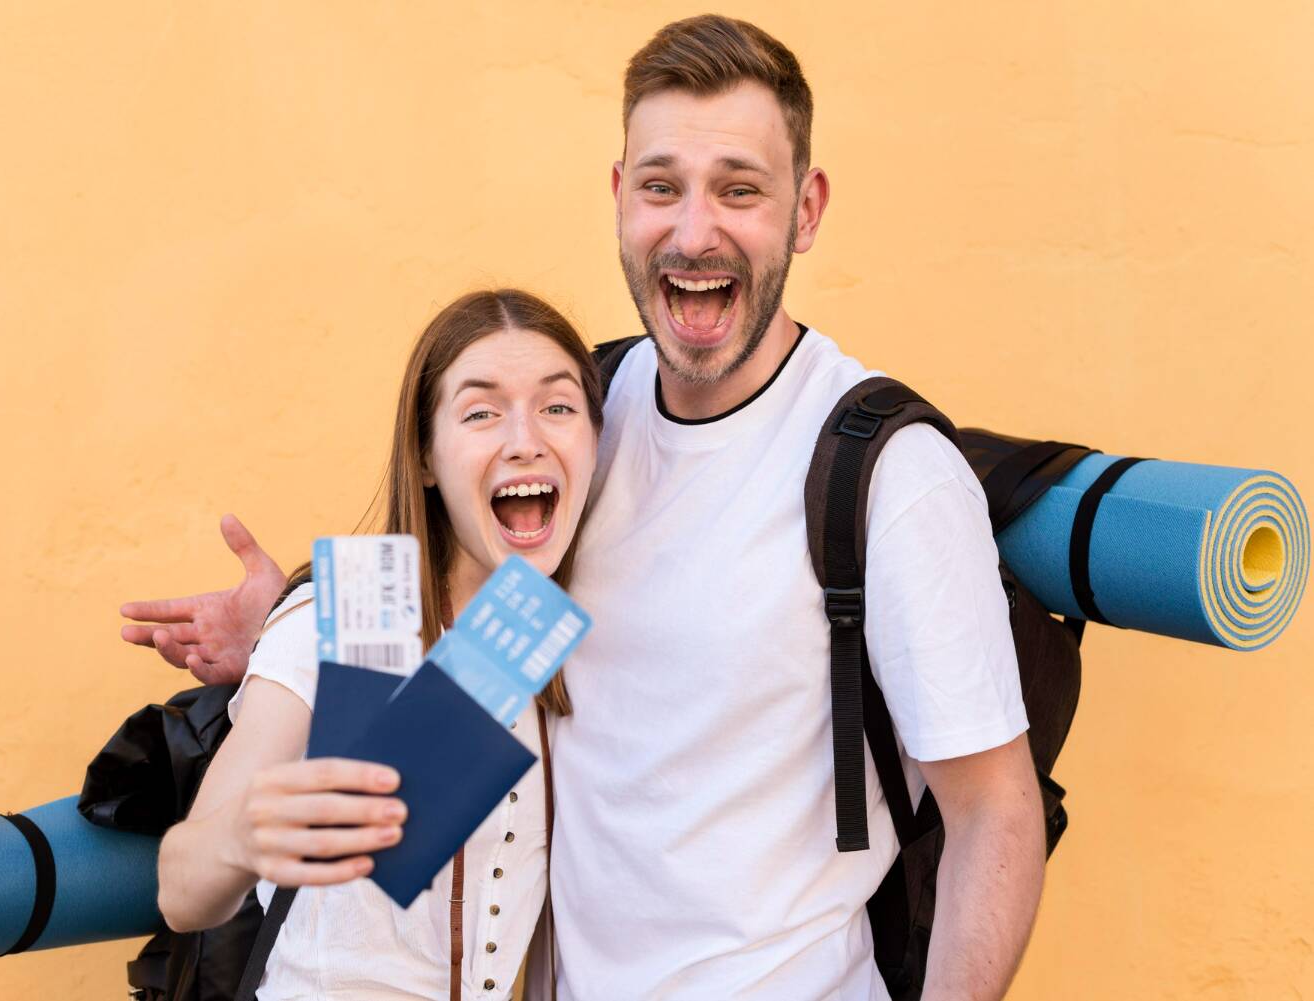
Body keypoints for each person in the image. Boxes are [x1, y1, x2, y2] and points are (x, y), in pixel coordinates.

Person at [126, 16, 1045, 1000]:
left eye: (740, 187)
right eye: (662, 186)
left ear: (806, 208)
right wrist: (307, 633)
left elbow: (995, 812)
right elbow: (418, 763)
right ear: (619, 199)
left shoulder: (889, 476)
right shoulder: (582, 421)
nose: (695, 230)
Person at [151, 288, 603, 1000]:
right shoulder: (349, 618)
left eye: (557, 406)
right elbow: (181, 886)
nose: (526, 438)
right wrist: (242, 835)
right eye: (481, 411)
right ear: (425, 456)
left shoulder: (566, 635)